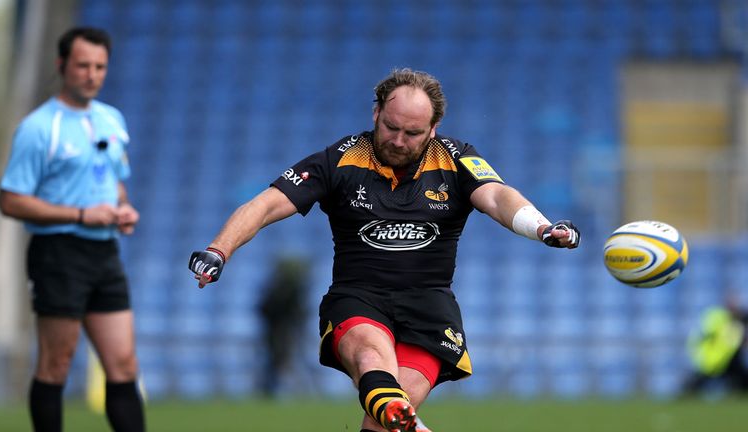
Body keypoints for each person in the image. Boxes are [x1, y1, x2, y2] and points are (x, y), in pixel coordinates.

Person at [189, 68, 579, 432]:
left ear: (433, 128)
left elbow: (496, 196)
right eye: (391, 127)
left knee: (385, 421)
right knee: (372, 360)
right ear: (376, 112)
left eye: (412, 133)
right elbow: (264, 204)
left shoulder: (456, 158)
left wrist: (541, 227)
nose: (398, 140)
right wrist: (218, 251)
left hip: (429, 310)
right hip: (358, 300)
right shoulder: (339, 159)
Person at [0, 27, 144, 432]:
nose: (92, 74)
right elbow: (10, 200)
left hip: (104, 252)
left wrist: (122, 207)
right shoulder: (39, 128)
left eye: (100, 66)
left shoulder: (111, 118)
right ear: (62, 65)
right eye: (83, 65)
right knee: (56, 364)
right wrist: (79, 215)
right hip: (58, 252)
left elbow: (115, 179)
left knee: (123, 363)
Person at [258, 255, 310, 397]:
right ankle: (271, 389)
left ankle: (278, 389)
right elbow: (265, 309)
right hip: (279, 331)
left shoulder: (285, 289)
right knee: (278, 360)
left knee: (283, 360)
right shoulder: (280, 289)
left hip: (284, 331)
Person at [683, 298, 748, 396]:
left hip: (726, 360)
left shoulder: (735, 323)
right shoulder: (719, 319)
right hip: (715, 360)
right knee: (697, 383)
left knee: (740, 380)